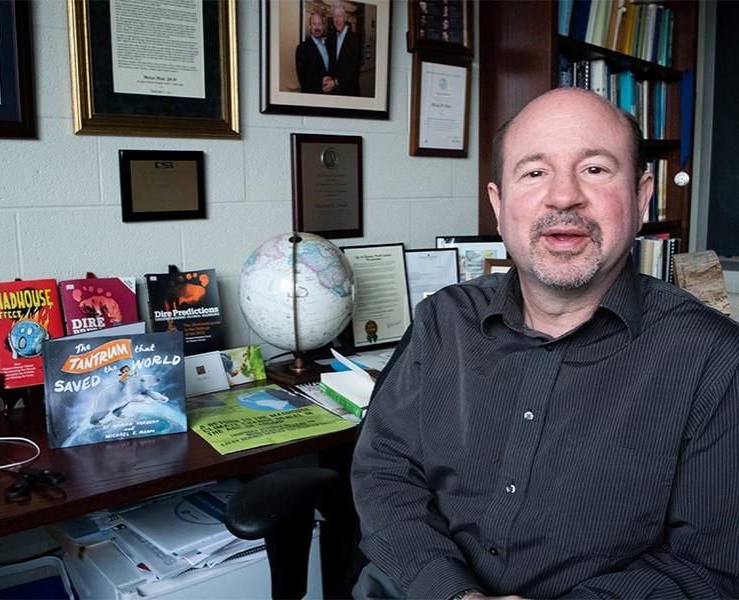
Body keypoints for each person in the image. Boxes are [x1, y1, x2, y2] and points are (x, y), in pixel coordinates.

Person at [351, 88, 739, 599]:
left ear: (643, 198)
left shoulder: (713, 359)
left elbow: (708, 567)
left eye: (595, 169)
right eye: (534, 172)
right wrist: (450, 592)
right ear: (498, 205)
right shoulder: (444, 321)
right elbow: (384, 473)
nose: (563, 197)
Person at [324, 5, 361, 96]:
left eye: (340, 16)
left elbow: (355, 70)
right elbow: (332, 63)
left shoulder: (355, 39)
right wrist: (328, 76)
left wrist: (335, 82)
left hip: (349, 92)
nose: (337, 20)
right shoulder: (332, 38)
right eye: (335, 17)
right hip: (334, 93)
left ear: (345, 18)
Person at [295, 12, 332, 94]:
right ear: (310, 27)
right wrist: (320, 82)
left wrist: (331, 81)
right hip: (313, 95)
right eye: (314, 24)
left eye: (319, 24)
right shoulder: (302, 48)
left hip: (330, 94)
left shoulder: (329, 46)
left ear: (323, 27)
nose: (317, 27)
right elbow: (303, 78)